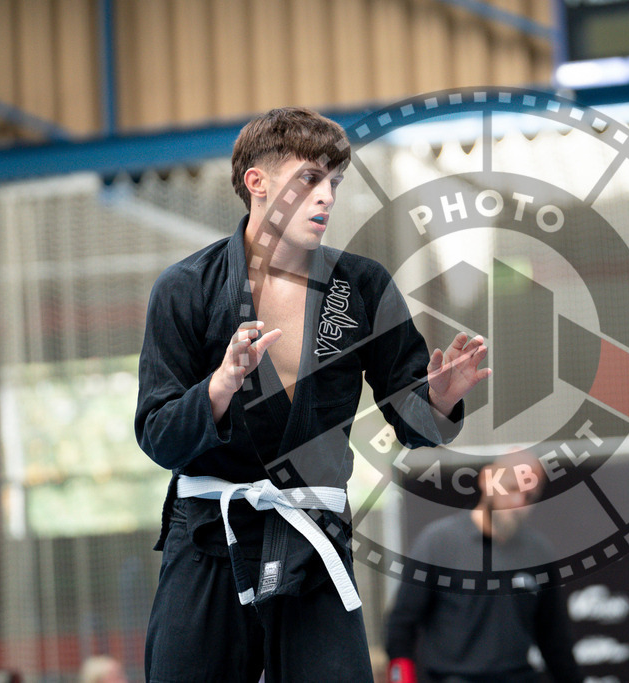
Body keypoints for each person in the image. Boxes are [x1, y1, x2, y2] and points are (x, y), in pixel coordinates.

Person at [135, 107, 490, 682]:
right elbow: (157, 433)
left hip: (311, 535)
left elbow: (413, 419)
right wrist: (221, 385)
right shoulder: (186, 288)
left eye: (335, 183)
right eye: (309, 179)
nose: (326, 197)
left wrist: (441, 399)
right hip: (208, 537)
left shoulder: (362, 285)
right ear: (257, 181)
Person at [384, 451, 584, 683]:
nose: (518, 503)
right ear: (487, 480)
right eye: (511, 488)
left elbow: (555, 640)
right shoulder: (438, 542)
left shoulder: (538, 552)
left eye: (529, 496)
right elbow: (401, 624)